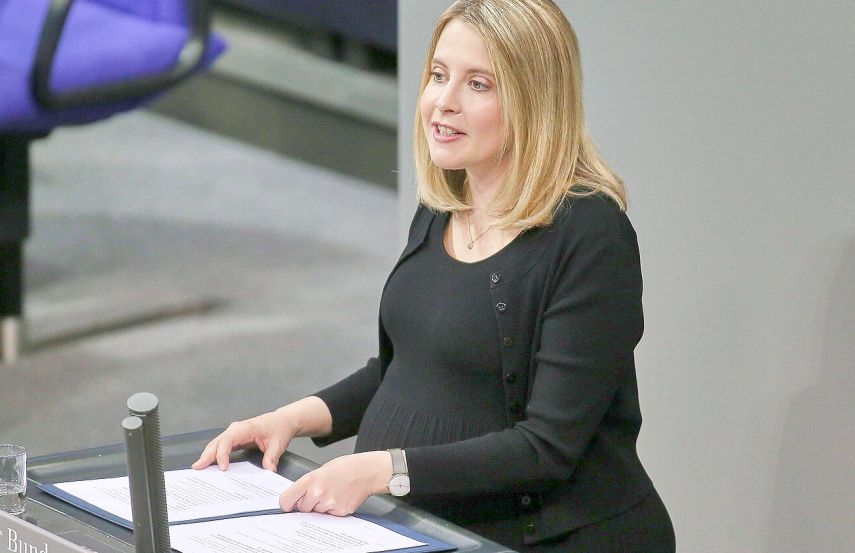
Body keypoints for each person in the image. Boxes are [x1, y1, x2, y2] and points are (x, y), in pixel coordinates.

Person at [192, 0, 675, 551]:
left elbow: (547, 446)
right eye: (439, 76)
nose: (443, 103)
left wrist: (381, 472)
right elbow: (409, 369)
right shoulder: (447, 202)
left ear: (534, 102)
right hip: (434, 529)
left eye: (478, 85)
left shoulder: (590, 234)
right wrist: (288, 419)